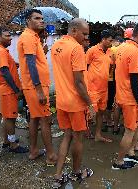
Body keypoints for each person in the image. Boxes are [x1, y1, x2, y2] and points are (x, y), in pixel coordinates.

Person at [51, 18, 95, 187]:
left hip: (62, 101)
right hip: (76, 103)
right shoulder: (76, 49)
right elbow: (78, 82)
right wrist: (90, 105)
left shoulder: (56, 45)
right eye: (84, 34)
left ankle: (58, 174)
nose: (86, 38)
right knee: (78, 139)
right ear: (74, 30)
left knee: (67, 136)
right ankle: (77, 172)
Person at [17, 9, 57, 164]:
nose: (42, 21)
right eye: (37, 18)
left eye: (42, 18)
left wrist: (43, 51)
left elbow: (35, 61)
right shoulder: (28, 37)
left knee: (34, 118)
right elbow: (31, 65)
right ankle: (51, 155)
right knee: (45, 120)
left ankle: (33, 150)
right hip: (36, 88)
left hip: (35, 86)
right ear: (28, 20)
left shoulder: (34, 37)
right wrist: (39, 90)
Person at [112, 21, 138, 170]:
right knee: (129, 131)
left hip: (123, 94)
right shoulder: (135, 52)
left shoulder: (121, 47)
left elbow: (118, 71)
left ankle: (130, 151)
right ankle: (119, 161)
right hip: (130, 97)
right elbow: (134, 81)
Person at [0, 28, 28, 153]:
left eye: (10, 35)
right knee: (11, 117)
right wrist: (16, 89)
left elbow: (6, 67)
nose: (10, 38)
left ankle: (7, 141)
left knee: (6, 117)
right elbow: (5, 73)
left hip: (4, 89)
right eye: (7, 36)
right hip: (8, 90)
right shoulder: (0, 52)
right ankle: (13, 144)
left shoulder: (0, 51)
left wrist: (13, 64)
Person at [86, 29, 114, 143]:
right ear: (103, 39)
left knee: (101, 112)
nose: (111, 43)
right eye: (110, 40)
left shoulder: (110, 52)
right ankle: (86, 131)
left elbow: (112, 65)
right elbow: (84, 66)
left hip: (104, 88)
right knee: (90, 113)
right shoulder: (92, 50)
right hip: (92, 88)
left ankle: (98, 135)